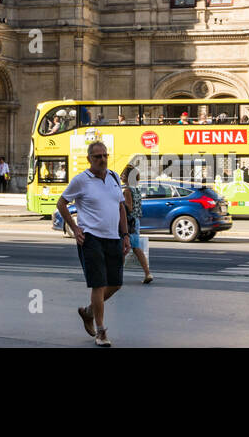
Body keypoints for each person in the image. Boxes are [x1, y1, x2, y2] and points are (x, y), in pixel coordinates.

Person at [56, 140, 130, 347]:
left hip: (113, 237)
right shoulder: (81, 180)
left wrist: (125, 234)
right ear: (89, 159)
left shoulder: (114, 177)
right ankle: (101, 331)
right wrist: (74, 227)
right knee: (99, 284)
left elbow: (121, 207)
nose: (102, 159)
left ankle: (88, 312)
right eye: (97, 157)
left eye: (105, 155)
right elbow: (61, 203)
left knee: (115, 284)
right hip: (91, 238)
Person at [119, 162, 154, 284]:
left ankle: (118, 275)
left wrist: (119, 203)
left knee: (125, 248)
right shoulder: (137, 189)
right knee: (134, 247)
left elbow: (129, 207)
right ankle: (147, 273)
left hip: (129, 222)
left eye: (123, 174)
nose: (121, 176)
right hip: (136, 220)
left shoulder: (128, 190)